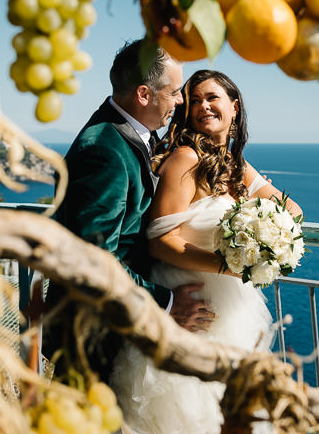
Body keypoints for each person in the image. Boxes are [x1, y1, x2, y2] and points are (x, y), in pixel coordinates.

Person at [111, 69, 302, 434]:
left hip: (232, 314)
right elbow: (160, 242)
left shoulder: (234, 165)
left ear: (234, 106)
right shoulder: (185, 158)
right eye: (194, 100)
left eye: (212, 98)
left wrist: (268, 233)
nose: (202, 106)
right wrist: (231, 265)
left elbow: (293, 210)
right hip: (190, 308)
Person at [42, 40, 213, 385]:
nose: (180, 102)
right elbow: (95, 257)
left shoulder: (126, 134)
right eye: (175, 92)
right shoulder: (105, 150)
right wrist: (165, 302)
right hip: (94, 334)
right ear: (143, 95)